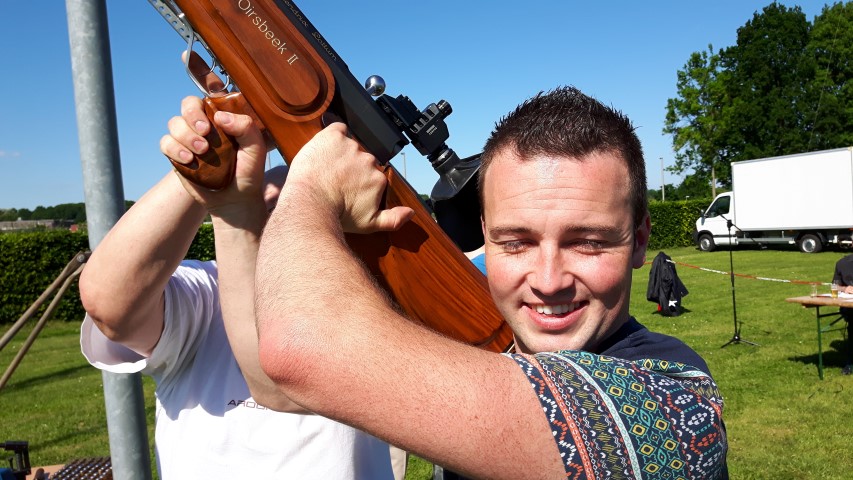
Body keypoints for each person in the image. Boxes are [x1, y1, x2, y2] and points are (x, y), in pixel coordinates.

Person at [248, 85, 727, 479]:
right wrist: (232, 202)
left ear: (639, 240)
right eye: (515, 242)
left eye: (587, 242)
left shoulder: (678, 405)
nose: (548, 281)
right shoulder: (485, 353)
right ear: (485, 236)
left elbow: (297, 349)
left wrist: (312, 187)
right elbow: (274, 391)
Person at [78, 85, 394, 477]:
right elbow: (109, 301)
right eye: (269, 208)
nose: (285, 227)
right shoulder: (205, 291)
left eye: (307, 214)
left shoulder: (368, 302)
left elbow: (286, 382)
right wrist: (210, 161)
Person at [832, 254, 853, 375]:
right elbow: (834, 286)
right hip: (849, 307)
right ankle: (850, 363)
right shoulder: (842, 263)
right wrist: (844, 289)